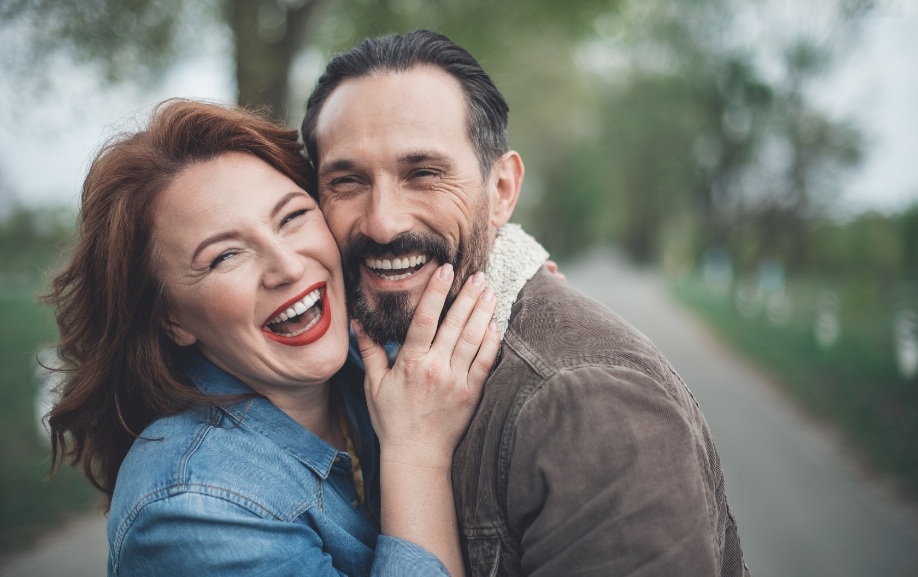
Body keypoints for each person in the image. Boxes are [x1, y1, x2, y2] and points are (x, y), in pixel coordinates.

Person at [301, 30, 750, 576]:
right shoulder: (354, 353)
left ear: (503, 191)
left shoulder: (587, 405)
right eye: (347, 182)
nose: (382, 222)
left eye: (423, 174)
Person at [44, 98, 502, 576]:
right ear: (170, 319)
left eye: (291, 217)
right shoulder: (193, 508)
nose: (287, 266)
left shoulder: (367, 351)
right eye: (224, 256)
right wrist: (416, 455)